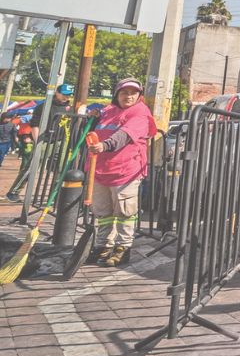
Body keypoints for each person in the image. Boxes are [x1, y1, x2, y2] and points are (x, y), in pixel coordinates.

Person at [87, 78, 156, 268]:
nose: (129, 96)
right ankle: (103, 245)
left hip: (126, 171)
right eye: (124, 92)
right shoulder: (107, 111)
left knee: (125, 211)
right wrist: (91, 117)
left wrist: (105, 145)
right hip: (100, 169)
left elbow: (125, 134)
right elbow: (93, 128)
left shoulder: (140, 113)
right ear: (116, 94)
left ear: (139, 96)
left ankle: (122, 247)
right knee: (103, 211)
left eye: (133, 93)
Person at [6, 84, 75, 201]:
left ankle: (54, 196)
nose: (66, 97)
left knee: (61, 168)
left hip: (61, 141)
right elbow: (34, 124)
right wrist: (38, 141)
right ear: (57, 93)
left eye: (68, 95)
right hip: (45, 140)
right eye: (64, 94)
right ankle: (14, 192)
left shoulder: (70, 108)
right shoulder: (44, 106)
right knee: (32, 167)